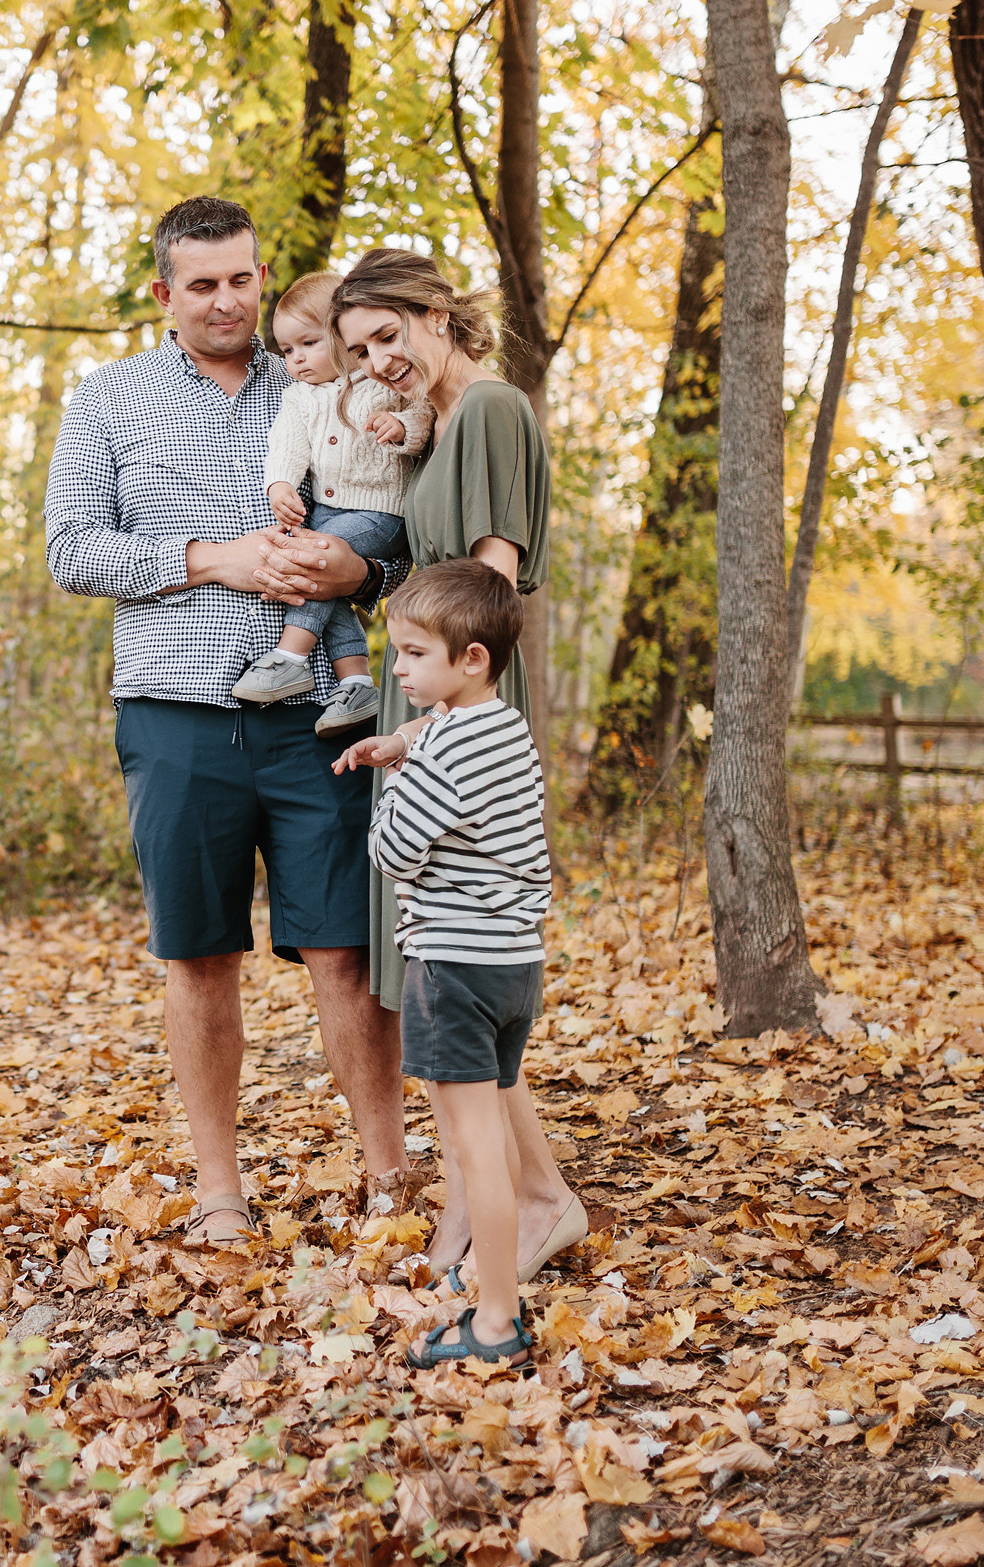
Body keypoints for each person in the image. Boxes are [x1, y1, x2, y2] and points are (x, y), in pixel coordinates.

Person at [43, 197, 409, 1246]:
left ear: (261, 275)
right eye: (202, 284)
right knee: (200, 958)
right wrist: (215, 559)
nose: (226, 301)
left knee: (345, 951)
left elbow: (397, 520)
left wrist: (357, 571)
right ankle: (219, 1191)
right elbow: (71, 550)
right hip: (175, 717)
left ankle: (388, 1180)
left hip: (321, 717)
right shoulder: (107, 398)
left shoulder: (323, 376)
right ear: (165, 293)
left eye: (241, 279)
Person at [320, 245, 588, 1296]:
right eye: (357, 350)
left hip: (453, 713)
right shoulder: (434, 424)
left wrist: (438, 735)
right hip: (422, 705)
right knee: (421, 965)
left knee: (455, 971)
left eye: (388, 335)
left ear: (437, 313)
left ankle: (533, 1198)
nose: (376, 361)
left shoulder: (487, 411)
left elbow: (488, 591)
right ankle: (485, 1193)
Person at [362, 560, 550, 1369]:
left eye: (413, 654)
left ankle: (497, 1320)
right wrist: (406, 741)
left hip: (452, 965)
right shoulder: (504, 728)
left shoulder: (442, 755)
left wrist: (395, 777)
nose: (398, 670)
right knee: (490, 1135)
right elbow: (436, 732)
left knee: (477, 1153)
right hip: (513, 964)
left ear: (471, 658)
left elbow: (392, 850)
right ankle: (489, 1295)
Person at [235, 271, 431, 737]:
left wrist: (402, 428)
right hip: (326, 514)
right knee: (330, 586)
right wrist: (280, 485)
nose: (297, 359)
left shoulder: (380, 380)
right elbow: (287, 446)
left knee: (314, 560)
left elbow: (423, 411)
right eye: (287, 351)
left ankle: (291, 656)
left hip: (381, 512)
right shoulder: (298, 397)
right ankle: (357, 683)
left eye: (309, 343)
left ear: (343, 337)